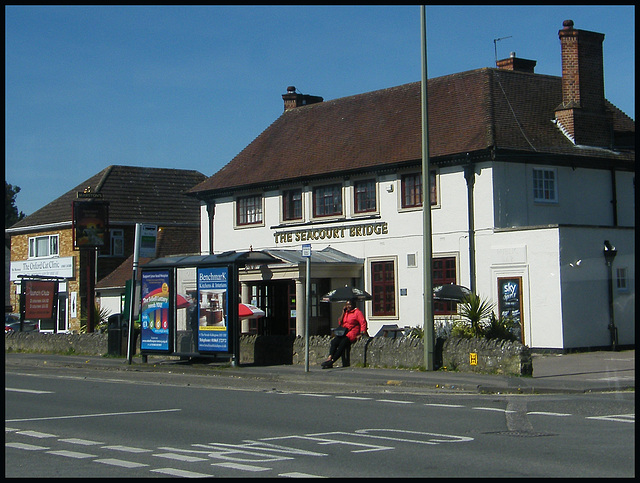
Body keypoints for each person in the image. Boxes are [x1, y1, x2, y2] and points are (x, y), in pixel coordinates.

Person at [321, 298, 367, 369]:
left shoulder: (357, 312)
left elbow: (363, 322)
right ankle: (330, 357)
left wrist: (361, 333)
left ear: (353, 305)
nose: (348, 306)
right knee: (334, 342)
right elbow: (340, 322)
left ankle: (333, 360)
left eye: (350, 304)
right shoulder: (346, 312)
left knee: (342, 344)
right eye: (347, 305)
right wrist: (343, 312)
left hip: (352, 332)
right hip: (344, 332)